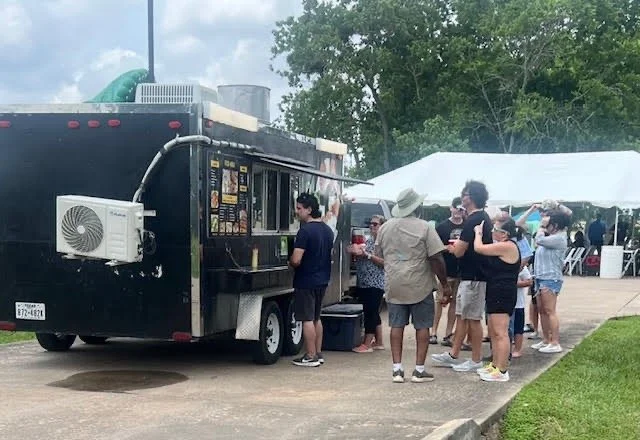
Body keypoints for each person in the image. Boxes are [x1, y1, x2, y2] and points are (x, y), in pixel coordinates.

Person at [375, 188, 450, 383]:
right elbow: (436, 258)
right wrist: (445, 284)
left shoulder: (385, 227)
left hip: (394, 283)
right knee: (422, 326)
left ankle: (397, 370)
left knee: (396, 325)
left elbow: (380, 254)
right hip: (420, 284)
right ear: (417, 206)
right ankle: (418, 370)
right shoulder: (425, 227)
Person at [432, 180, 492, 373]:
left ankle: (475, 359)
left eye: (464, 194)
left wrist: (452, 247)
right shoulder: (478, 218)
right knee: (462, 316)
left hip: (474, 277)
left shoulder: (474, 220)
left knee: (473, 318)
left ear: (472, 197)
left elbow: (459, 251)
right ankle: (453, 354)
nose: (462, 197)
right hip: (469, 276)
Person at [289, 192, 335, 367]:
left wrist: (290, 261)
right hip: (323, 279)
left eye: (299, 208)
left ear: (309, 210)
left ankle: (310, 355)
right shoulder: (327, 230)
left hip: (306, 280)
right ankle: (318, 352)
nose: (297, 211)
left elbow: (296, 259)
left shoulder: (304, 231)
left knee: (306, 318)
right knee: (317, 317)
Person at [473, 217, 521, 382]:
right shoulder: (502, 246)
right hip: (495, 291)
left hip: (503, 292)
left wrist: (478, 233)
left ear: (504, 234)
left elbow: (479, 248)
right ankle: (495, 364)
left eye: (495, 230)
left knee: (501, 332)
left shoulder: (508, 246)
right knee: (493, 330)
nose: (493, 233)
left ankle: (502, 369)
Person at [531, 211, 570, 354]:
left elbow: (539, 239)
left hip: (551, 277)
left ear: (556, 225)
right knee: (542, 310)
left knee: (550, 310)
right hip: (541, 276)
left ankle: (555, 342)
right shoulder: (552, 237)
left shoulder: (559, 238)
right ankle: (546, 339)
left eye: (549, 225)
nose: (546, 227)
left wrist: (541, 228)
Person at [347, 215, 386, 353]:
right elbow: (357, 249)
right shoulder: (370, 242)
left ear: (382, 226)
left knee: (370, 313)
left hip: (375, 283)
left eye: (375, 224)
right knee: (374, 312)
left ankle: (367, 344)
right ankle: (379, 342)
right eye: (370, 224)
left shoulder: (384, 243)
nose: (372, 226)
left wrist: (367, 256)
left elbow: (385, 263)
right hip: (365, 282)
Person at [432, 197, 465, 346]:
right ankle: (433, 332)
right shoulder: (441, 227)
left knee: (455, 304)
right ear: (450, 208)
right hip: (444, 270)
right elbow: (434, 248)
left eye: (460, 208)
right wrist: (447, 247)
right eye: (455, 207)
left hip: (461, 270)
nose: (458, 210)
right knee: (440, 300)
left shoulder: (468, 225)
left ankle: (448, 334)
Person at [511, 265, 533, 358]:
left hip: (518, 303)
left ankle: (517, 348)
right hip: (505, 303)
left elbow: (529, 281)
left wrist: (514, 284)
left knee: (518, 328)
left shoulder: (522, 268)